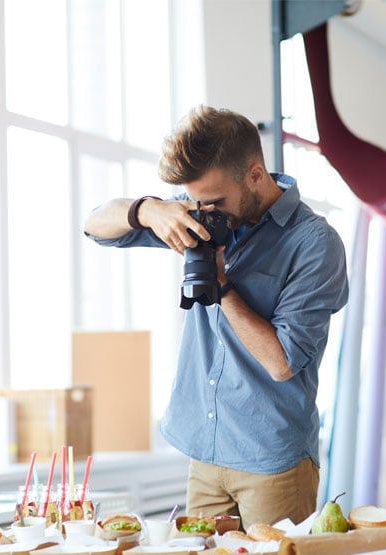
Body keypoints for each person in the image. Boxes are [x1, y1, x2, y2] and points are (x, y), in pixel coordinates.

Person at [83, 105, 349, 528]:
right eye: (193, 199)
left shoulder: (314, 244)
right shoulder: (199, 209)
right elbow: (94, 224)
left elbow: (283, 363)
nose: (203, 211)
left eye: (214, 200)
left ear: (255, 175)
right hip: (204, 451)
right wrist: (148, 210)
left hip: (272, 460)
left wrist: (221, 285)